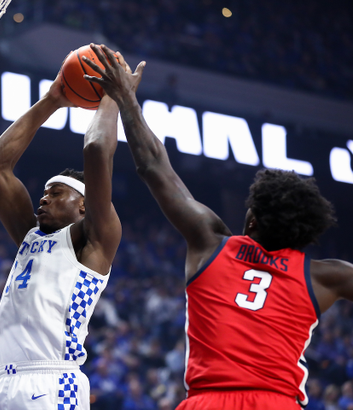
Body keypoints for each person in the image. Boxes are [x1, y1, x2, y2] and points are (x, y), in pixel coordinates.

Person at [83, 43, 353, 410]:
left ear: (252, 219)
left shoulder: (211, 241)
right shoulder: (327, 276)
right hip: (277, 403)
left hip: (208, 401)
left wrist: (125, 97)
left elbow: (153, 166)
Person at [0, 51, 122, 409]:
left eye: (56, 193)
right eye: (44, 193)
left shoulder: (94, 241)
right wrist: (52, 100)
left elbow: (95, 148)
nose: (43, 200)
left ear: (84, 205)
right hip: (2, 385)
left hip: (53, 380)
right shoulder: (29, 236)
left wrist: (112, 95)